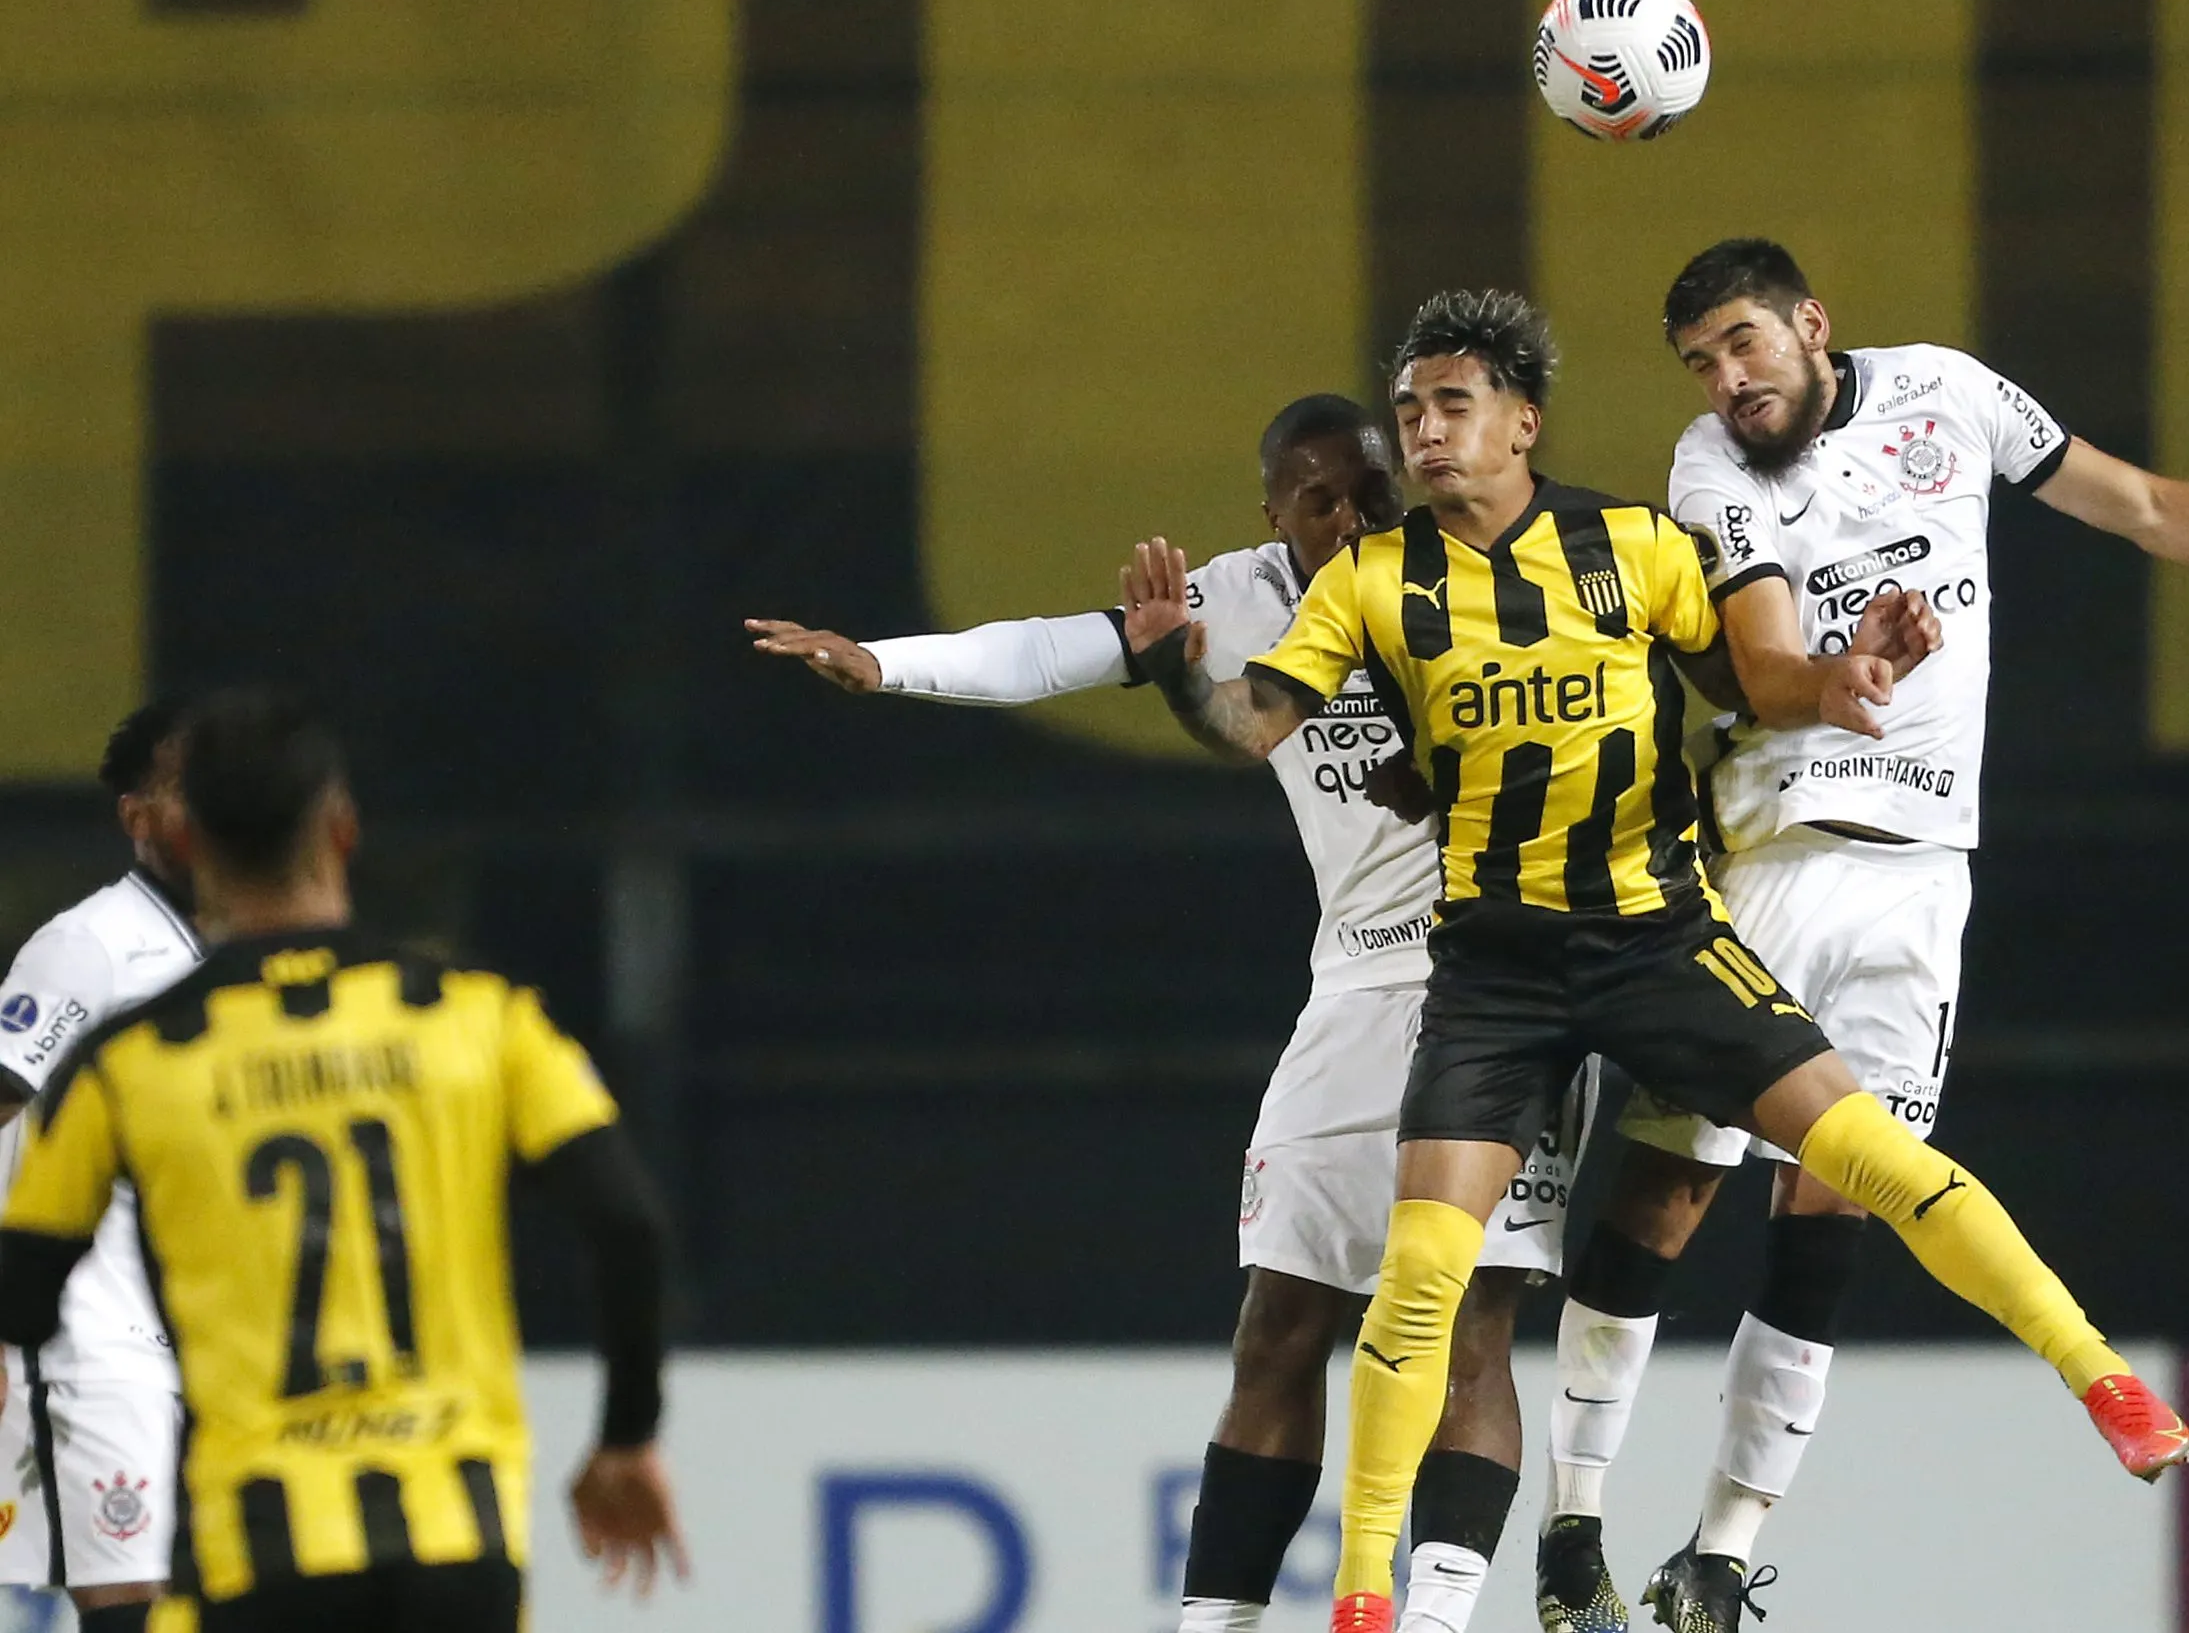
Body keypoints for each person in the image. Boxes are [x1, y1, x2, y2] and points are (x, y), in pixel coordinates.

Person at [1117, 288, 2164, 1633]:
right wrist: (1173, 674)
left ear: (1521, 420)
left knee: (1872, 1154)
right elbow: (1253, 723)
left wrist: (1843, 673)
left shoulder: (1628, 545)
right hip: (1493, 974)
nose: (1425, 433)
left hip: (1656, 936)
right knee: (1425, 1271)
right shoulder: (1377, 582)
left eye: (1452, 405)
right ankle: (1365, 1595)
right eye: (1409, 411)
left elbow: (1745, 681)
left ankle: (2104, 1381)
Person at [1539, 237, 2189, 1631]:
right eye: (1702, 362)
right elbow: (1762, 662)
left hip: (1926, 877)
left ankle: (1718, 1556)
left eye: (1743, 344)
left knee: (1833, 1210)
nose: (1728, 380)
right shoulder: (1715, 470)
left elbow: (2148, 504)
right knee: (1666, 1195)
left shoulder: (1948, 395)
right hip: (1779, 859)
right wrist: (1841, 678)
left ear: (1812, 323)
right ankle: (1569, 1530)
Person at [745, 394, 1589, 1633]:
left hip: (1501, 979)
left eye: (1371, 492)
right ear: (1272, 515)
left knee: (1471, 1315)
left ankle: (1440, 1618)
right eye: (1321, 500)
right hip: (1353, 980)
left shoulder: (1471, 572)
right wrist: (883, 664)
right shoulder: (1242, 595)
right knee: (1280, 1318)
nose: (1351, 517)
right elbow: (1053, 650)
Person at [0, 691, 684, 1632]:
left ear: (191, 843)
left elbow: (22, 1283)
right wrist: (626, 1436)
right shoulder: (480, 1016)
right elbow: (626, 1221)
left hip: (255, 1551)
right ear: (345, 830)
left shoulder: (132, 1064)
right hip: (457, 1536)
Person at [0, 703, 202, 1632]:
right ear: (137, 814)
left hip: (203, 1345)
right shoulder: (90, 945)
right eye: (185, 781)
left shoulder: (245, 953)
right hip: (95, 1343)